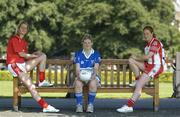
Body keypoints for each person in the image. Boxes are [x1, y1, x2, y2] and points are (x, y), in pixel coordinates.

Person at [6, 21, 59, 112]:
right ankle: (45, 106)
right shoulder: (14, 39)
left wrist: (34, 54)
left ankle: (41, 81)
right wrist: (32, 56)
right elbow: (22, 54)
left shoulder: (24, 42)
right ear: (18, 29)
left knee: (43, 56)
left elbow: (25, 57)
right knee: (31, 86)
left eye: (26, 28)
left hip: (22, 64)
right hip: (15, 65)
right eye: (22, 27)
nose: (24, 29)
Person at [116, 26, 164, 113]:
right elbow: (146, 59)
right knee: (131, 60)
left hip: (155, 66)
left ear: (152, 34)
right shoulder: (147, 45)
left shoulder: (155, 42)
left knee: (139, 86)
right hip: (149, 65)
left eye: (147, 33)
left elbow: (147, 56)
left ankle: (129, 106)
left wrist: (136, 57)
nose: (145, 35)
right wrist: (134, 58)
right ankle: (138, 80)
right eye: (144, 34)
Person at [74, 34, 101, 113]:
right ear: (82, 43)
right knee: (78, 84)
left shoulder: (96, 54)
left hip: (92, 75)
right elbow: (77, 68)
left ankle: (90, 105)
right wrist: (78, 76)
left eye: (89, 42)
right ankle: (79, 105)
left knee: (93, 83)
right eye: (85, 42)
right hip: (81, 75)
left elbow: (96, 68)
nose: (87, 44)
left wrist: (93, 76)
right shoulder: (78, 54)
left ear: (92, 43)